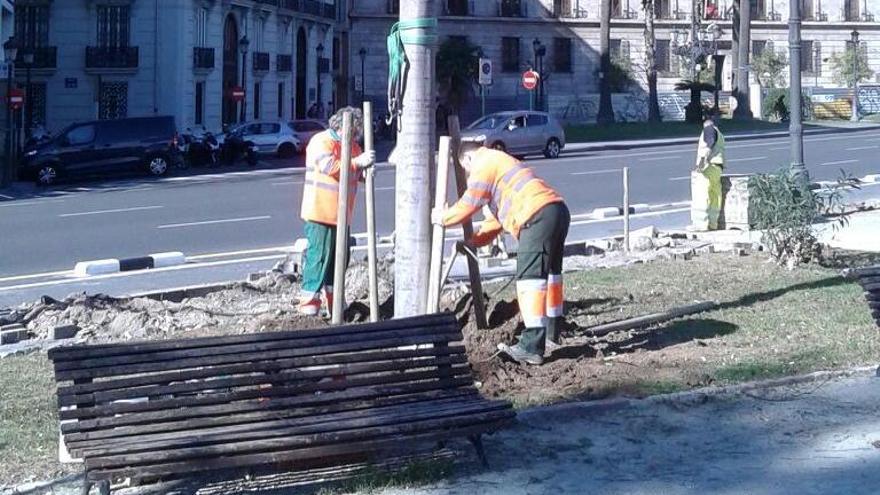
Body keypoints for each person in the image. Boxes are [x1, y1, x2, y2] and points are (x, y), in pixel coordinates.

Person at [432, 142, 570, 365]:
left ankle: (531, 347)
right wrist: (472, 242)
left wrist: (442, 217)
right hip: (556, 210)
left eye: (465, 169)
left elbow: (469, 203)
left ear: (467, 159)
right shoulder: (501, 164)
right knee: (552, 277)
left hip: (536, 216)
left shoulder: (483, 163)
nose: (468, 174)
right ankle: (553, 334)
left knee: (530, 282)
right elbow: (493, 224)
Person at [298, 107, 376, 316]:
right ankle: (309, 302)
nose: (354, 136)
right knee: (320, 255)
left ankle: (335, 300)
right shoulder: (321, 141)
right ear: (341, 126)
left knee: (339, 259)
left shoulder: (353, 147)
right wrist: (357, 163)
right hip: (320, 211)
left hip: (342, 214)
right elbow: (330, 167)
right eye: (352, 131)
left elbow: (354, 173)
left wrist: (364, 172)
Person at [690, 112, 725, 231]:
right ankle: (713, 224)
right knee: (715, 195)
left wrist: (701, 163)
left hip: (708, 166)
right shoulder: (720, 133)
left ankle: (701, 225)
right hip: (717, 167)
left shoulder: (708, 129)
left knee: (702, 194)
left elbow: (710, 142)